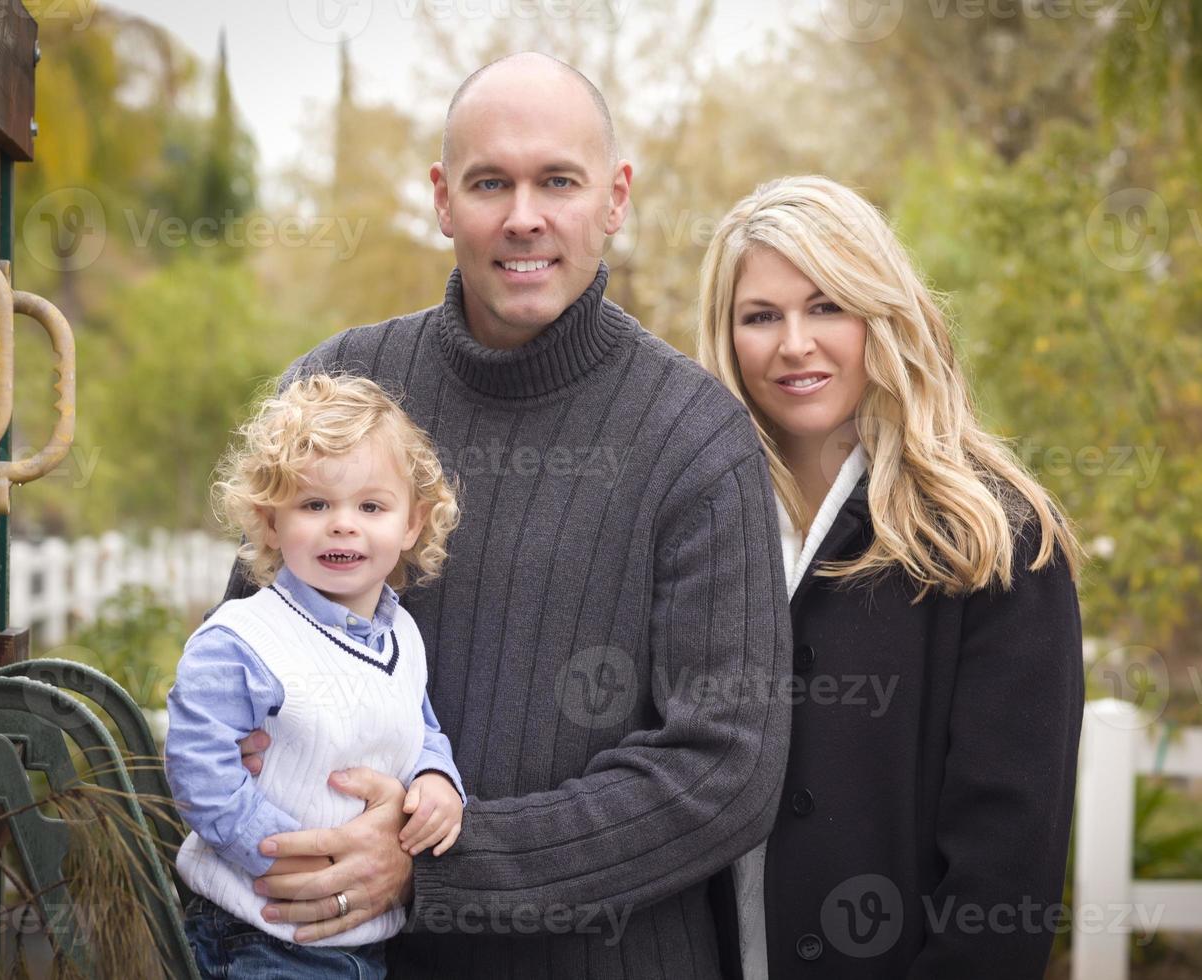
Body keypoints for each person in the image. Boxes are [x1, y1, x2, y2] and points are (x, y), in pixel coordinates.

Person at [219, 53, 792, 977]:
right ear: (444, 200)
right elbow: (244, 665)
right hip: (342, 959)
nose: (523, 215)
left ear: (614, 197)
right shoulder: (341, 391)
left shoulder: (696, 438)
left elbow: (725, 772)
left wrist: (440, 863)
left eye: (557, 180)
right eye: (492, 182)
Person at [697, 175, 1085, 978]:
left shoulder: (993, 539)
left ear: (882, 314)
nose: (794, 343)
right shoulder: (696, 528)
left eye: (827, 305)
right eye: (761, 316)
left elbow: (1007, 861)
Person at [166, 374, 467, 978]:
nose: (343, 524)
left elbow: (420, 727)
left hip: (365, 944)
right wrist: (275, 854)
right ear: (270, 523)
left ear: (412, 524)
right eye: (314, 505)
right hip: (260, 933)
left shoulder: (400, 636)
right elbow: (199, 765)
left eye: (371, 506)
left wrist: (437, 780)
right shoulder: (245, 640)